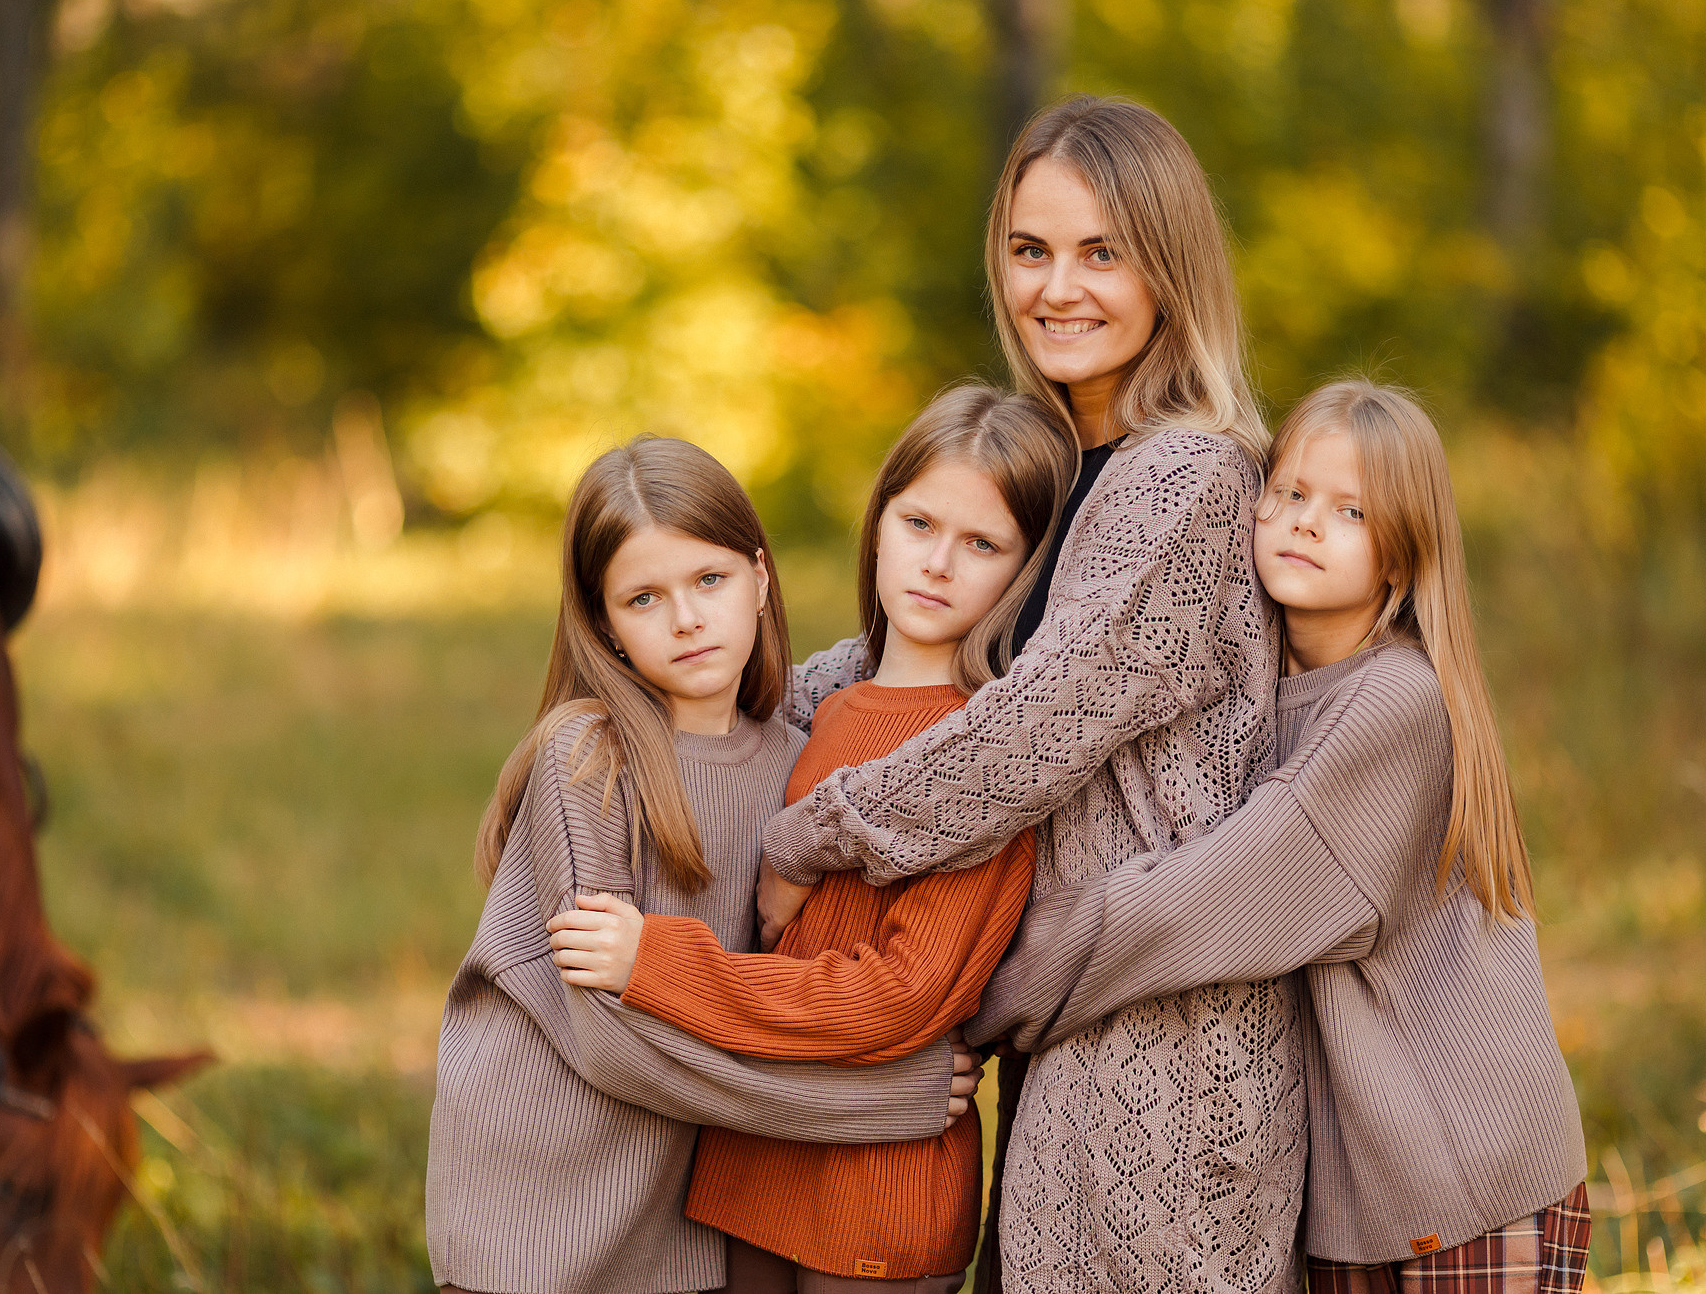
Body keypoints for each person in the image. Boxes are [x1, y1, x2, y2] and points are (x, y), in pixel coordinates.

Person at [756, 96, 1299, 1294]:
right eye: (1029, 249)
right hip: (1059, 1026)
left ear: (1171, 267)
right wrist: (724, 702)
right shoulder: (1064, 465)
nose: (1057, 287)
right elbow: (930, 664)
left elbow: (1028, 729)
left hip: (1170, 1046)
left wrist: (812, 830)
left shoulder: (1187, 476)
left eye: (1103, 252)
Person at [969, 380, 1592, 1294]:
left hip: (1465, 1178)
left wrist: (974, 1004)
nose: (1306, 522)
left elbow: (1199, 906)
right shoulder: (1266, 692)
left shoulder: (1394, 704)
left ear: (1402, 554)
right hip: (1359, 1200)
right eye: (1290, 493)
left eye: (1350, 511)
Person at [547, 384, 1075, 1294]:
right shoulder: (815, 713)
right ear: (879, 524)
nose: (938, 564)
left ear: (1028, 571)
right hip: (753, 1164)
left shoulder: (988, 753)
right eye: (919, 524)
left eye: (983, 544)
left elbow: (898, 996)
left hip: (876, 1190)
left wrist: (661, 965)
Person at [424, 436, 979, 1294]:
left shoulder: (794, 761)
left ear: (759, 579)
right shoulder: (589, 758)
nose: (685, 619)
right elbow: (612, 1042)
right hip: (535, 1199)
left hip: (681, 1199)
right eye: (644, 598)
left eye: (709, 580)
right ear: (604, 624)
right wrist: (875, 1103)